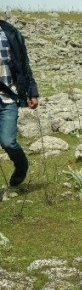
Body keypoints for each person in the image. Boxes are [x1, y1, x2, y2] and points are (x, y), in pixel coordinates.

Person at [0, 19, 39, 187]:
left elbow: (24, 65)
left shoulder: (9, 33)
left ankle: (21, 165)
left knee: (8, 142)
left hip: (8, 97)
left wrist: (32, 92)